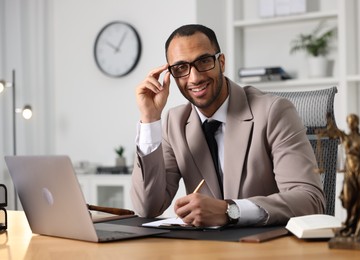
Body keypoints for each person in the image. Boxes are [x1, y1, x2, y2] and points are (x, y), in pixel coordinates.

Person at [131, 24, 325, 227]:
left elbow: (310, 200)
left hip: (265, 248)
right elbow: (148, 207)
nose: (195, 78)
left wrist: (229, 210)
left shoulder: (274, 112)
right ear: (171, 76)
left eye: (204, 61)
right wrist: (150, 118)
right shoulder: (175, 122)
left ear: (221, 62)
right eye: (181, 68)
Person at [317, 114, 360, 237]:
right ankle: (349, 224)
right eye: (349, 122)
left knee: (358, 200)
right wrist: (327, 123)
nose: (351, 124)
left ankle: (355, 227)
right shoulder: (344, 136)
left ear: (357, 123)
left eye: (353, 122)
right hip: (349, 171)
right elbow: (332, 132)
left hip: (359, 171)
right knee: (348, 199)